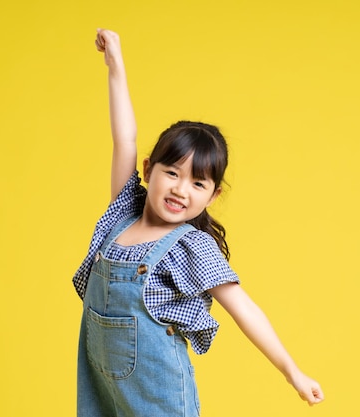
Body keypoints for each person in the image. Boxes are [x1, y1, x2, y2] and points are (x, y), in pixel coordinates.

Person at [73, 28, 324, 417]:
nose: (181, 189)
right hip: (102, 387)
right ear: (148, 170)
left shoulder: (191, 246)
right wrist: (115, 64)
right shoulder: (122, 213)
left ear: (213, 195)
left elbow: (244, 308)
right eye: (171, 173)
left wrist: (292, 372)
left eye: (198, 182)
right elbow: (124, 138)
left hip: (162, 395)